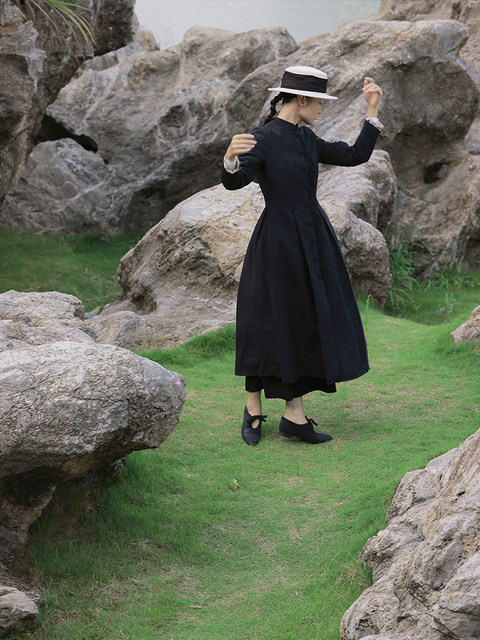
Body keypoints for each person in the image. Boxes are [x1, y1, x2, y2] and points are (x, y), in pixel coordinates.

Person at [221, 65, 383, 446]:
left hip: (312, 238)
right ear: (301, 99)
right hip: (277, 241)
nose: (322, 109)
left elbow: (355, 155)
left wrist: (372, 110)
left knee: (303, 318)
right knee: (267, 317)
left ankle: (293, 415)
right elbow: (236, 180)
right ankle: (253, 407)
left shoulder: (308, 138)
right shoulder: (262, 138)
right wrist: (229, 158)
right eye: (319, 102)